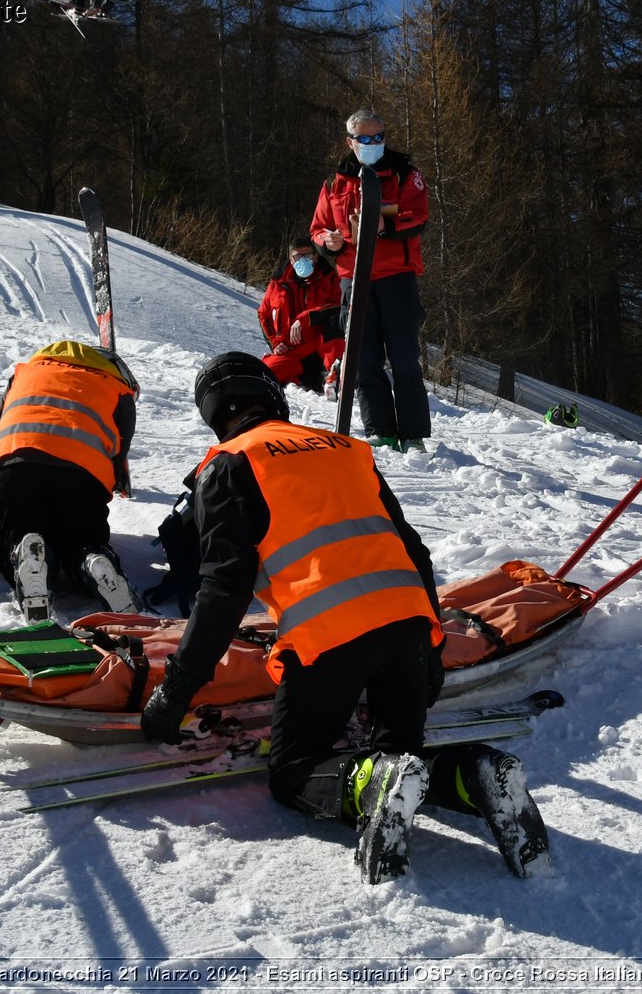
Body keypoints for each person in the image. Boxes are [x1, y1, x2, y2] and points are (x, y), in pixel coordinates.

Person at [138, 353, 549, 883]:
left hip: (329, 642)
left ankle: (374, 786)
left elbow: (223, 589)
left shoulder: (228, 464)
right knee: (401, 755)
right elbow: (415, 552)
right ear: (273, 395)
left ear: (214, 414)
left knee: (293, 773)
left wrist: (176, 690)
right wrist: (430, 646)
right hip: (407, 628)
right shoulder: (347, 449)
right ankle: (475, 773)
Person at [0, 340, 141, 621]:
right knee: (83, 539)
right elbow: (119, 458)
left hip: (13, 467)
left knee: (22, 532)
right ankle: (93, 560)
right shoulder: (116, 389)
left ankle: (30, 555)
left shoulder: (23, 375)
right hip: (81, 474)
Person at [310, 108, 432, 452]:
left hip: (396, 278)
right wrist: (327, 241)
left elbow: (419, 216)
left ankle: (413, 434)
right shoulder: (336, 182)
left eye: (379, 137)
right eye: (365, 139)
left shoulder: (405, 173)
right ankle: (380, 430)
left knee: (405, 356)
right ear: (351, 142)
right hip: (354, 279)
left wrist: (386, 226)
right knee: (363, 359)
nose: (373, 143)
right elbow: (318, 228)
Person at [257, 238, 345, 393]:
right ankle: (311, 379)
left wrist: (306, 318)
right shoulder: (277, 284)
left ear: (316, 257)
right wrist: (275, 343)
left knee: (335, 321)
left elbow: (338, 308)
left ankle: (332, 374)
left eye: (308, 256)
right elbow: (264, 315)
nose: (303, 261)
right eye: (298, 257)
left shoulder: (330, 278)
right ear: (291, 260)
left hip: (321, 346)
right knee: (265, 373)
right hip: (295, 352)